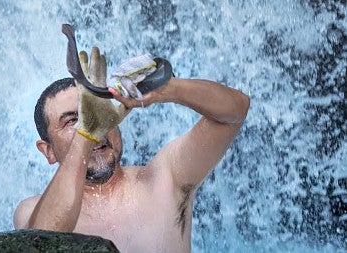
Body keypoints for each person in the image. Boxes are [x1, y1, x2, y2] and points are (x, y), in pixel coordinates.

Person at [13, 47, 250, 253]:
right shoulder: (31, 211)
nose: (95, 125)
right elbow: (41, 246)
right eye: (72, 121)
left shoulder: (166, 178)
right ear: (48, 151)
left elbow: (233, 113)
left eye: (98, 111)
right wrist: (85, 136)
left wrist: (167, 89)